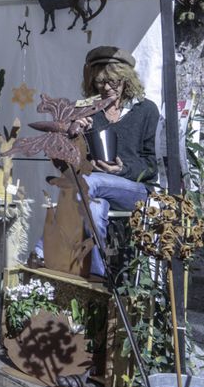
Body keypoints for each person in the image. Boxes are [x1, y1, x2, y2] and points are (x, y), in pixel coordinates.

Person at [32, 46, 159, 278]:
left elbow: (151, 165)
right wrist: (74, 135)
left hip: (135, 191)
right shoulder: (86, 110)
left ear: (127, 80)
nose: (107, 88)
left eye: (113, 81)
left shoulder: (146, 110)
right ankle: (98, 274)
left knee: (89, 182)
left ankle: (41, 249)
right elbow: (67, 166)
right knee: (93, 205)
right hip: (91, 191)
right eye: (100, 83)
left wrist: (123, 169)